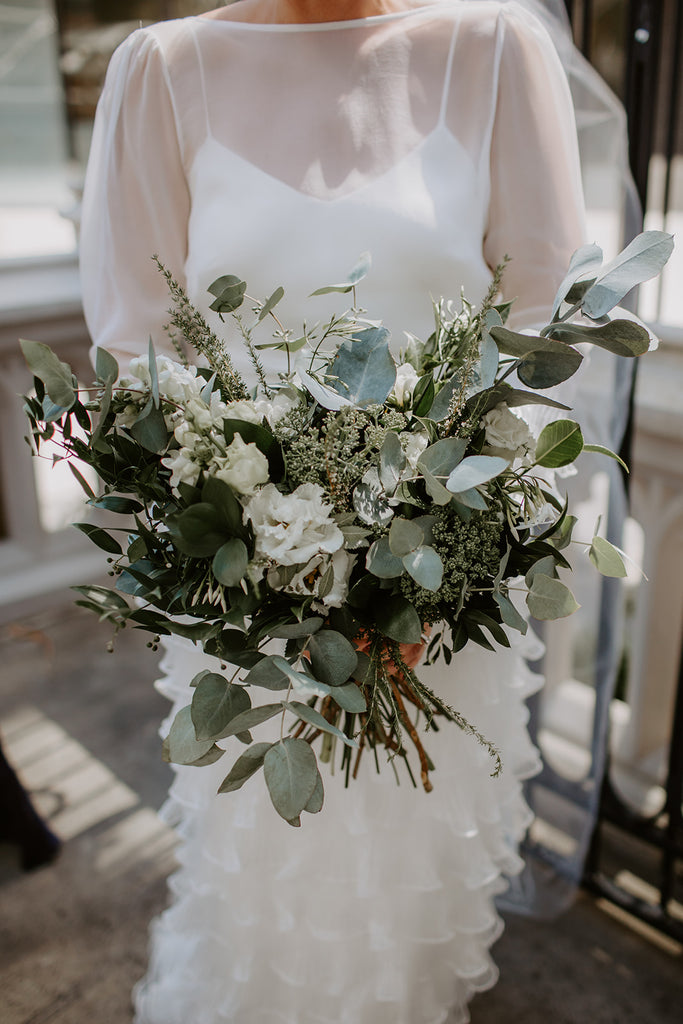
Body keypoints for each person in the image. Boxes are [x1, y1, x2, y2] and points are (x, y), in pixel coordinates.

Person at [80, 2, 588, 1021]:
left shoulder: (492, 53)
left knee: (408, 878)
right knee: (267, 868)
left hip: (439, 600)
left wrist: (436, 558)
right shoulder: (160, 70)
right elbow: (139, 353)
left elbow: (536, 328)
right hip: (246, 606)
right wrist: (259, 568)